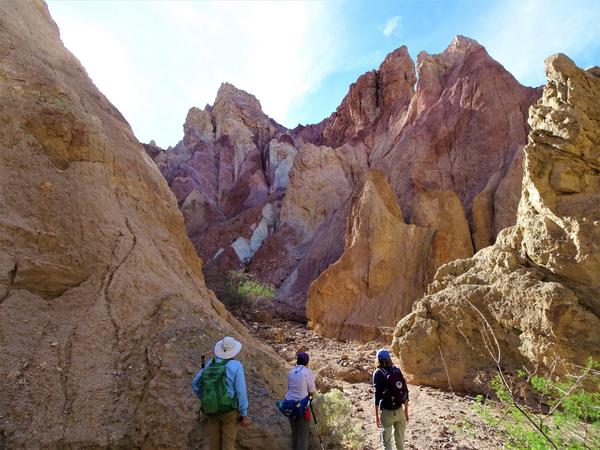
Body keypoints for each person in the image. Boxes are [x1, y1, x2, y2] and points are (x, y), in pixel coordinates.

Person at [192, 336, 249, 450]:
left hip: (211, 409)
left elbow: (195, 383)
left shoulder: (210, 364)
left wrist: (204, 398)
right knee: (228, 444)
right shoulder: (236, 366)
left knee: (213, 444)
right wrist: (244, 412)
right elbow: (240, 391)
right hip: (229, 410)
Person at [373, 349, 409, 450]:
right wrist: (406, 412)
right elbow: (405, 391)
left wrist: (377, 416)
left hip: (387, 412)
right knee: (400, 442)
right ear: (389, 359)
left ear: (378, 360)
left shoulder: (378, 373)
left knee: (386, 443)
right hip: (400, 410)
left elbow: (377, 396)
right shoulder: (397, 370)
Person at [285, 351, 316, 450]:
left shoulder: (291, 371)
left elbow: (290, 388)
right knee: (303, 435)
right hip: (302, 406)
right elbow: (312, 391)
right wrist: (310, 399)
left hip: (289, 404)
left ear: (297, 361)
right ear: (307, 362)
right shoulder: (307, 372)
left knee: (295, 434)